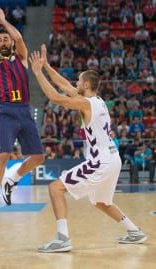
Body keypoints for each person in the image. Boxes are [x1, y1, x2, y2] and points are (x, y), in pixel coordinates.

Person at [29, 45, 146, 253]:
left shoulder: (86, 103)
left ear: (85, 84)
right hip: (113, 159)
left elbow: (56, 98)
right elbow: (63, 85)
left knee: (55, 188)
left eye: (78, 81)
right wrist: (46, 65)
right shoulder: (97, 101)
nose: (75, 83)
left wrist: (38, 73)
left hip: (100, 161)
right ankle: (134, 231)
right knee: (101, 202)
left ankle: (62, 239)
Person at [0, 7, 44, 221]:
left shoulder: (22, 58)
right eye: (0, 40)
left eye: (6, 39)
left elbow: (19, 37)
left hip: (24, 109)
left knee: (38, 157)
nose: (3, 42)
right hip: (5, 111)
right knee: (3, 154)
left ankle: (11, 180)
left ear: (11, 43)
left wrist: (3, 22)